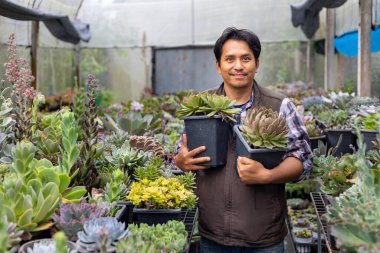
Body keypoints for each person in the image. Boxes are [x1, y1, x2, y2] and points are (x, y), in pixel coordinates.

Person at [174, 27, 312, 253]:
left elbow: (303, 158)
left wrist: (268, 175)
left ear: (256, 64)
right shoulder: (201, 106)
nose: (238, 66)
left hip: (264, 236)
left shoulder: (279, 106)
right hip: (213, 234)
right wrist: (181, 162)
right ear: (218, 66)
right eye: (230, 59)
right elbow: (180, 153)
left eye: (246, 58)